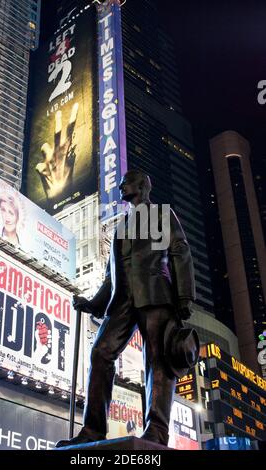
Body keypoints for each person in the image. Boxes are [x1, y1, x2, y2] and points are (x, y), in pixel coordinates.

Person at [56, 169, 196, 448]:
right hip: (123, 300)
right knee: (100, 353)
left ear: (144, 185)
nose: (122, 184)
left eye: (128, 181)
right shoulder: (121, 226)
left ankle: (156, 430)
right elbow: (112, 275)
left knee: (157, 361)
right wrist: (93, 303)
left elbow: (180, 251)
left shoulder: (160, 214)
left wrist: (184, 297)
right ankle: (93, 429)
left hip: (156, 295)